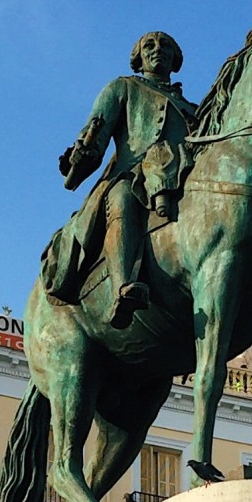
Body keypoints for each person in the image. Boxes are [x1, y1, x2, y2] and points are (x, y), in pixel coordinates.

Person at [55, 31, 197, 327]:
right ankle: (123, 288)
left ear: (176, 59)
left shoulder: (193, 108)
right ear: (138, 57)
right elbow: (96, 137)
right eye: (150, 45)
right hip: (134, 174)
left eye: (166, 46)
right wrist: (79, 161)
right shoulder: (123, 87)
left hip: (182, 177)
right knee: (121, 197)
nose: (158, 49)